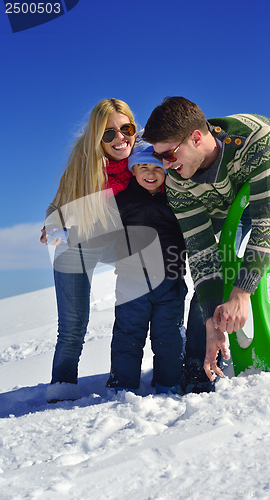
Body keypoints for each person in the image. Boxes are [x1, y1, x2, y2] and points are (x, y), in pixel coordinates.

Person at [143, 96, 270, 387]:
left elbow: (266, 222)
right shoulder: (178, 183)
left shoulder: (257, 136)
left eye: (169, 154)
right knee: (209, 285)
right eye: (159, 158)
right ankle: (198, 369)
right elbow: (201, 251)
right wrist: (213, 320)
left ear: (196, 137)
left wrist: (242, 292)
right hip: (218, 206)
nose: (165, 166)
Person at [40, 98, 137, 403]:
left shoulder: (147, 160)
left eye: (126, 128)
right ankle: (62, 386)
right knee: (73, 325)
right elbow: (56, 207)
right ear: (97, 137)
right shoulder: (84, 165)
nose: (120, 138)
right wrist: (53, 228)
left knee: (152, 302)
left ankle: (137, 373)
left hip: (122, 244)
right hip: (78, 245)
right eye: (109, 133)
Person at [105, 133, 187, 394]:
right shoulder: (122, 200)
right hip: (133, 282)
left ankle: (168, 383)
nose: (150, 173)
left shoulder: (176, 199)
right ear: (133, 170)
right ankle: (123, 386)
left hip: (170, 280)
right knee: (128, 335)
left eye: (156, 168)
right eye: (143, 167)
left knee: (169, 336)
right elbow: (97, 224)